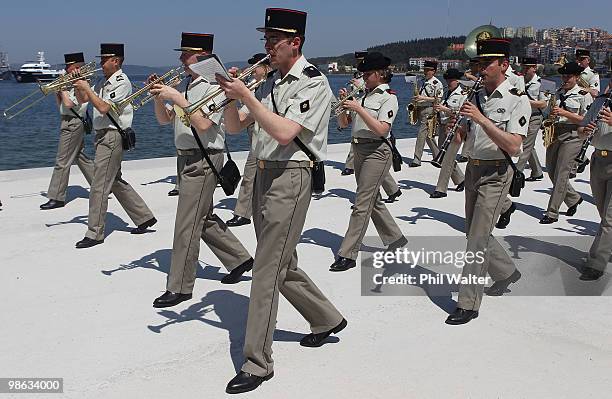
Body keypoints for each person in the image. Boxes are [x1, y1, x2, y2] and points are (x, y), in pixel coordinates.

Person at [217, 8, 346, 394]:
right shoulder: (272, 81)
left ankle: (257, 362)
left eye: (274, 40)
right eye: (265, 39)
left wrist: (248, 98)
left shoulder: (313, 82)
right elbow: (238, 126)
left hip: (291, 176)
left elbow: (287, 132)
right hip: (264, 174)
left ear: (296, 43)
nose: (267, 46)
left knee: (266, 268)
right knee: (282, 261)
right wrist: (230, 97)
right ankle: (325, 318)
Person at [147, 32, 254, 308]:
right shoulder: (188, 85)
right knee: (201, 216)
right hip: (185, 157)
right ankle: (239, 259)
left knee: (186, 223)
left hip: (204, 159)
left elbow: (205, 125)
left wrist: (175, 97)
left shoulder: (213, 87)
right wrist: (161, 97)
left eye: (187, 54)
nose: (181, 59)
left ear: (203, 56)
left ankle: (180, 286)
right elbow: (164, 120)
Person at [445, 38, 530, 325]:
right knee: (473, 232)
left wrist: (481, 120)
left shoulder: (517, 98)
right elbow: (467, 137)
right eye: (478, 64)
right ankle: (506, 271)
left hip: (496, 173)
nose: (480, 69)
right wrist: (454, 127)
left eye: (486, 64)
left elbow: (515, 146)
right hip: (474, 169)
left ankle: (468, 303)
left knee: (477, 240)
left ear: (504, 64)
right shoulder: (477, 95)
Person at [328, 52, 407, 272]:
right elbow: (343, 124)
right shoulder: (363, 96)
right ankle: (395, 238)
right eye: (363, 74)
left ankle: (348, 253)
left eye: (368, 74)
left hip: (377, 151)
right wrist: (343, 105)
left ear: (381, 74)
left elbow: (382, 129)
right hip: (359, 149)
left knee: (361, 203)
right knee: (373, 199)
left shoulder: (388, 97)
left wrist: (359, 109)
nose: (364, 78)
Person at [73, 43, 156, 248]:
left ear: (116, 61)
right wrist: (78, 83)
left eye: (104, 59)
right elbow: (83, 99)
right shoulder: (102, 80)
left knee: (99, 185)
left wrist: (86, 88)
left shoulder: (122, 82)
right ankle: (144, 217)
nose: (100, 63)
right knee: (115, 180)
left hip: (112, 135)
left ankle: (95, 233)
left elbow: (102, 107)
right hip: (102, 135)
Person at [495, 57, 548, 229]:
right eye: (523, 67)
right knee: (528, 146)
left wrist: (523, 100)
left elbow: (543, 104)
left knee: (524, 147)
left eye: (528, 68)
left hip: (534, 117)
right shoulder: (516, 80)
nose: (525, 70)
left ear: (535, 68)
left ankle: (516, 174)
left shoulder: (543, 83)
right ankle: (537, 171)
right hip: (517, 115)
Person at [539, 62, 593, 224]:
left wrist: (565, 113)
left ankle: (552, 212)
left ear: (576, 78)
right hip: (556, 132)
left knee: (562, 173)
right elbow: (548, 112)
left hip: (574, 134)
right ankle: (574, 198)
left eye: (568, 76)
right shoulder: (557, 92)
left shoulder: (584, 94)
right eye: (563, 76)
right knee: (551, 170)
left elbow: (588, 119)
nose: (565, 79)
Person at [40, 52, 94, 210]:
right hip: (67, 119)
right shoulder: (69, 80)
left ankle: (57, 197)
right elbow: (62, 106)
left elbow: (70, 104)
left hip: (74, 122)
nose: (66, 70)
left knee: (62, 161)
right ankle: (102, 184)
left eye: (69, 67)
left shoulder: (83, 81)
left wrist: (62, 88)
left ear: (77, 67)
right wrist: (57, 92)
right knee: (80, 157)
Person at [226, 53, 273, 227]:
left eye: (256, 67)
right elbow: (242, 115)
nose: (252, 70)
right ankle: (244, 212)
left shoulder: (269, 86)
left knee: (251, 175)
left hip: (266, 138)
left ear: (266, 68)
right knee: (252, 176)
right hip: (257, 138)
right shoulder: (256, 87)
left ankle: (243, 212)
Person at [577, 82, 611, 281]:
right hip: (598, 159)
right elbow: (582, 128)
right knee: (602, 212)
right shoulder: (600, 102)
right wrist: (584, 130)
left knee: (609, 219)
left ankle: (595, 263)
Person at [430, 68, 466, 198]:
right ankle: (461, 179)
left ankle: (441, 189)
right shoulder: (447, 93)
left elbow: (462, 113)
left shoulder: (463, 94)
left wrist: (444, 109)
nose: (448, 82)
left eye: (450, 80)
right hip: (444, 126)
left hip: (455, 127)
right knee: (445, 157)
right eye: (447, 80)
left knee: (447, 159)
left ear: (457, 81)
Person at [410, 60, 443, 167]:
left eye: (428, 70)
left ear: (434, 71)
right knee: (429, 136)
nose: (425, 72)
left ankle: (417, 159)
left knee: (421, 133)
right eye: (425, 70)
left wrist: (421, 98)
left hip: (429, 109)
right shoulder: (424, 81)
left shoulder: (436, 83)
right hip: (420, 108)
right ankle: (438, 155)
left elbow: (438, 99)